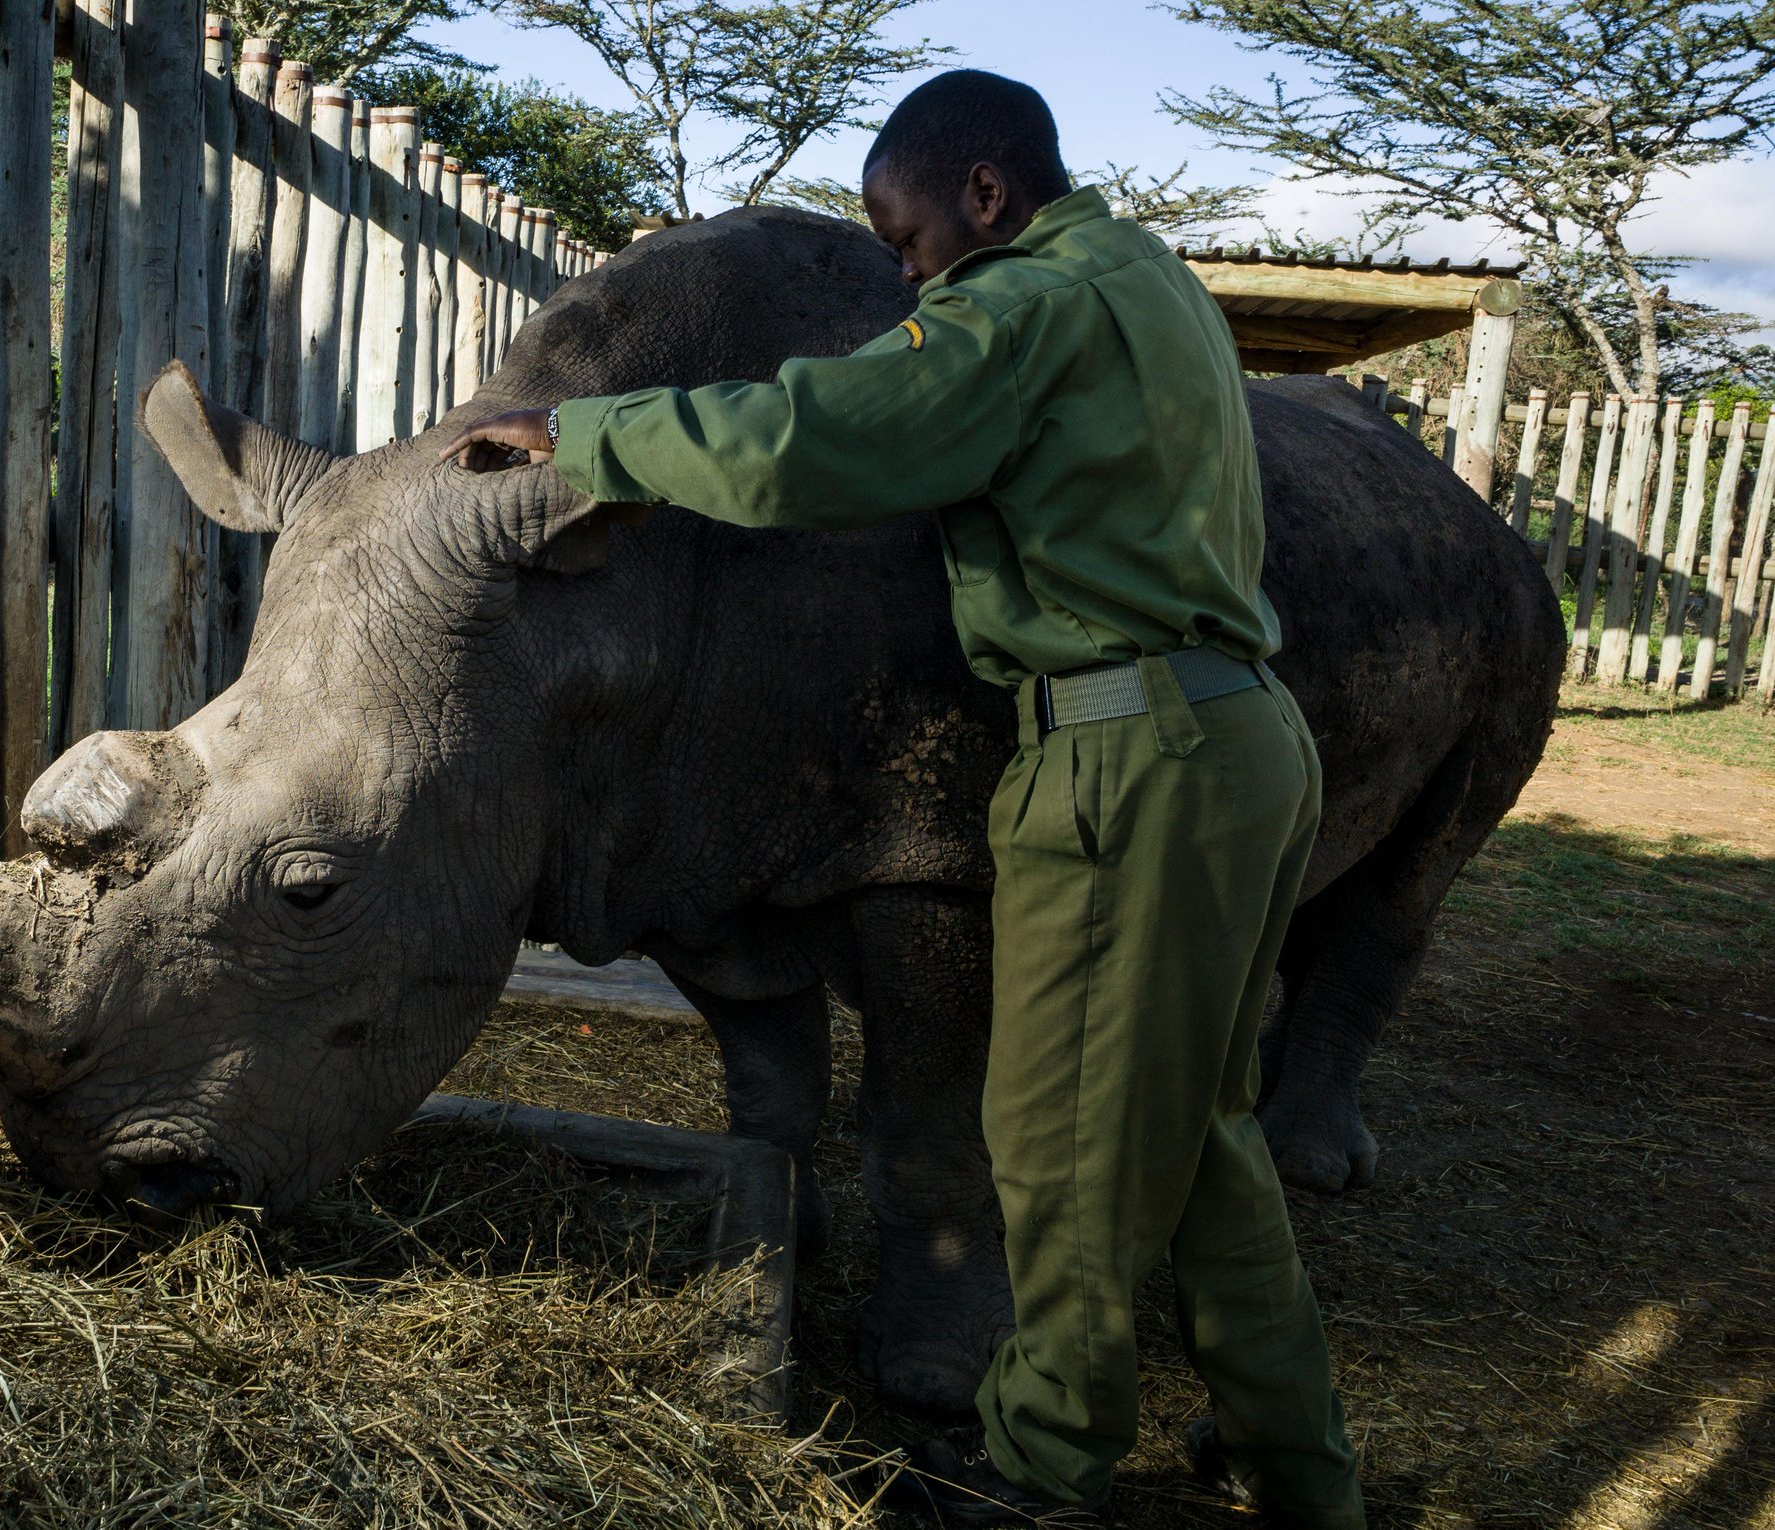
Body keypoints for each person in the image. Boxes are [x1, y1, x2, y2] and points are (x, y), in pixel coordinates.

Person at [443, 68, 1366, 1529]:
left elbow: (829, 434)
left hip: (1125, 754)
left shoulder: (1023, 306)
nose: (898, 269)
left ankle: (1035, 1471)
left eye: (909, 233)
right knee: (1196, 1131)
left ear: (986, 195)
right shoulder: (1154, 282)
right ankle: (1295, 1458)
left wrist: (589, 436)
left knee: (1056, 1139)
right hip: (1239, 737)